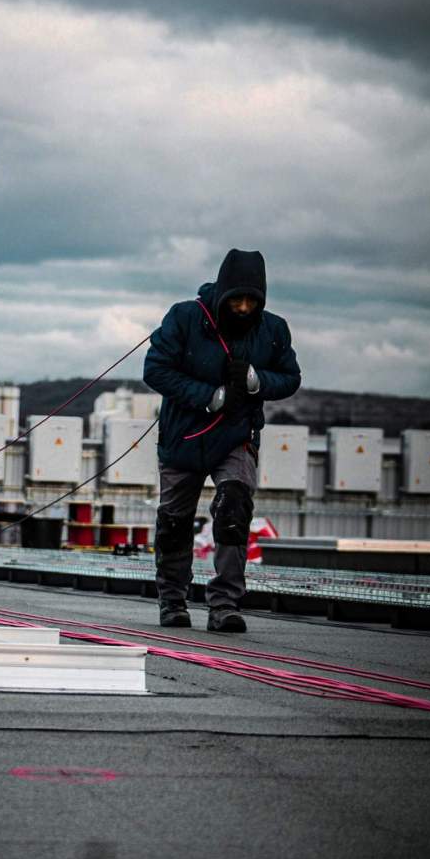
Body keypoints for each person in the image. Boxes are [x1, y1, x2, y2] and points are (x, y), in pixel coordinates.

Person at [143, 248, 301, 632]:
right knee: (175, 521)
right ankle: (173, 600)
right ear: (223, 293)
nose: (244, 307)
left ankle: (225, 604)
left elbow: (291, 377)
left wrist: (257, 381)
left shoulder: (274, 330)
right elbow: (155, 370)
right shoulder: (184, 317)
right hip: (184, 433)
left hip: (236, 435)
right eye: (237, 299)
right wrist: (206, 395)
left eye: (252, 301)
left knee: (234, 508)